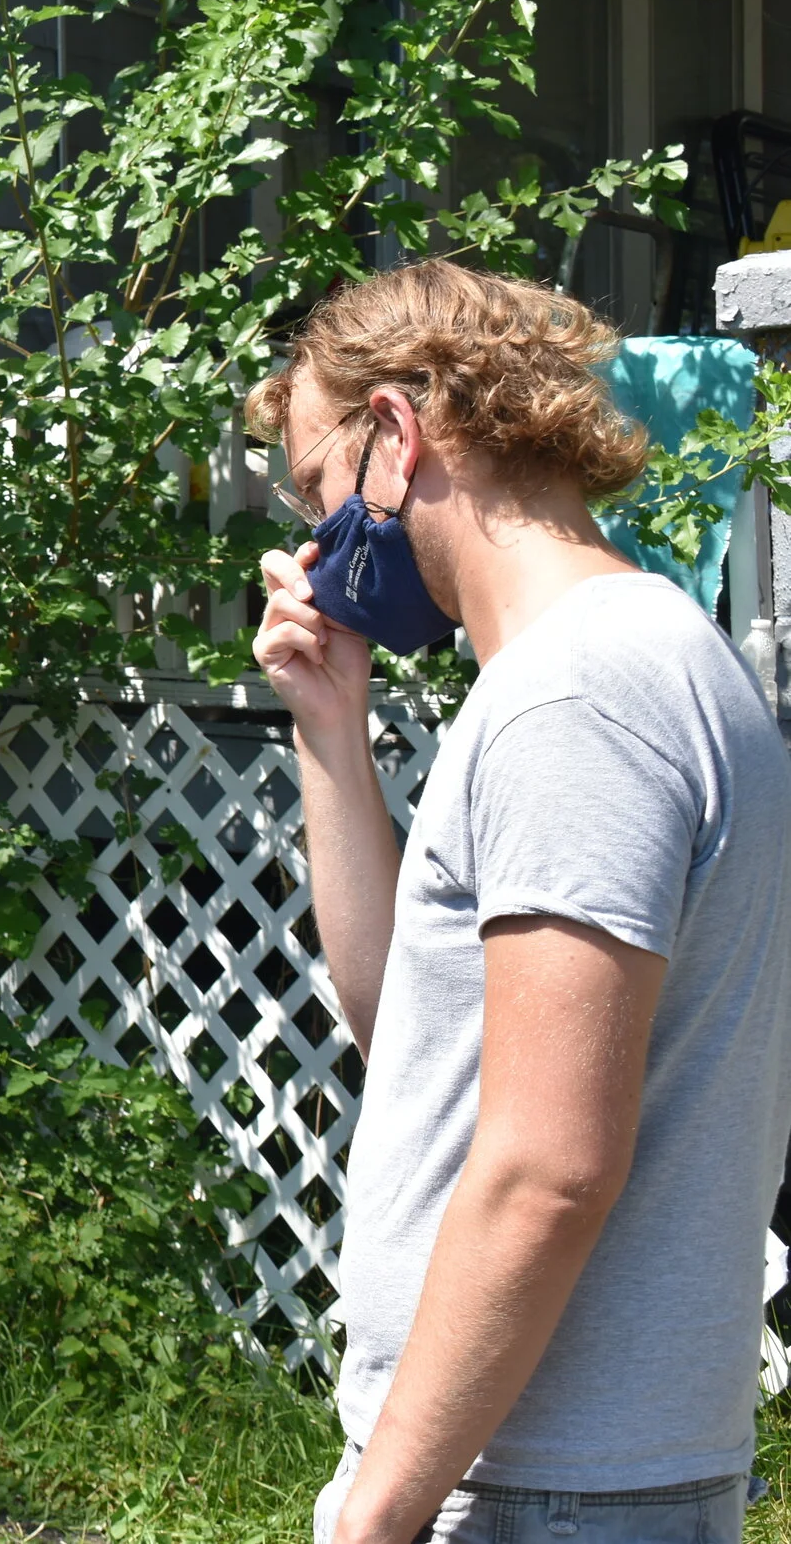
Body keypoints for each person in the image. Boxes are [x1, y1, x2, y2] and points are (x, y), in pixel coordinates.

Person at [248, 262, 791, 1544]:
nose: (317, 543)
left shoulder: (576, 701)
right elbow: (421, 1049)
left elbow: (550, 1166)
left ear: (394, 433)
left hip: (545, 1484)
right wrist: (333, 728)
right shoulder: (619, 660)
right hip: (566, 1474)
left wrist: (378, 1508)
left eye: (317, 488)